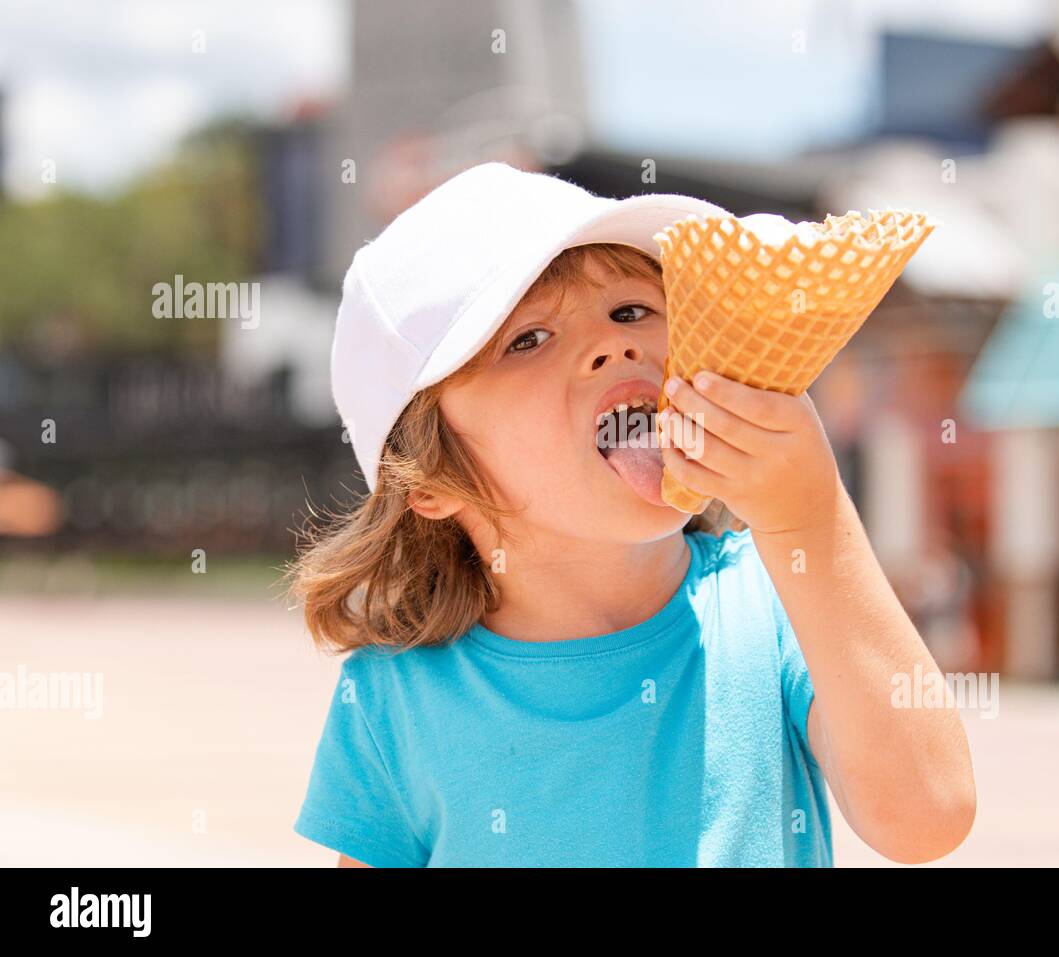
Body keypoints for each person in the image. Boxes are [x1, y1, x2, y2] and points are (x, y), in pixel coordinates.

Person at [287, 162, 976, 867]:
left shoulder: (771, 604)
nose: (615, 344)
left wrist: (810, 516)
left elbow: (929, 815)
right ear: (429, 480)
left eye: (632, 310)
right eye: (527, 339)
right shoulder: (395, 697)